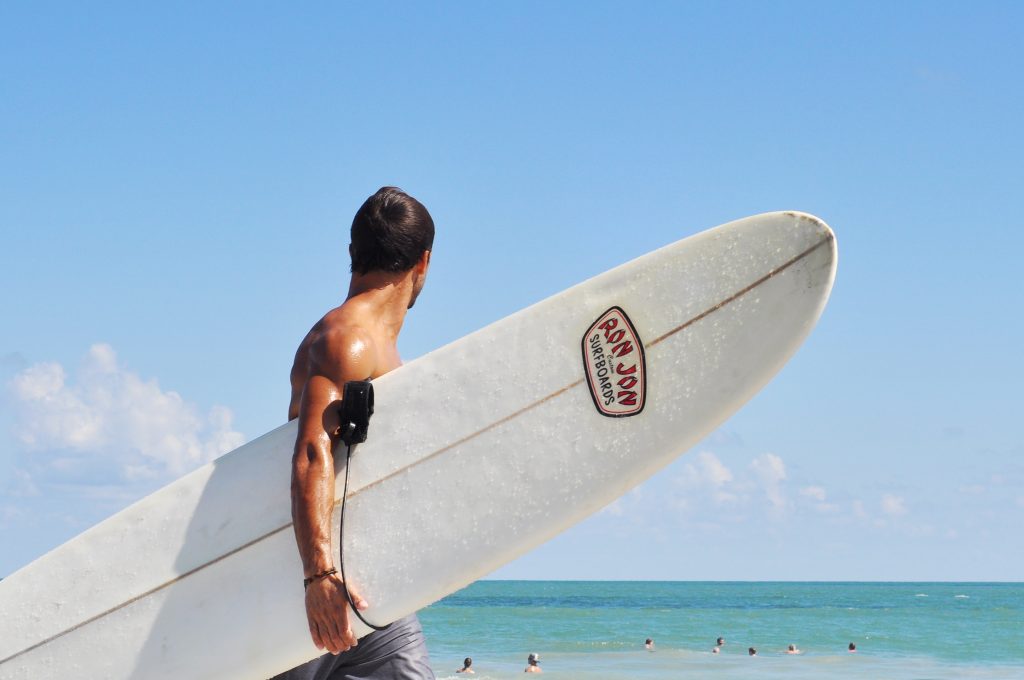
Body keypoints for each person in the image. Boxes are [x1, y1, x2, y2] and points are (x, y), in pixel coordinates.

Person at [273, 187, 436, 680]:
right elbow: (311, 454)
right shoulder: (350, 340)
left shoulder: (374, 343)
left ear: (352, 254)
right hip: (316, 575)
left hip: (367, 576)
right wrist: (318, 575)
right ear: (423, 263)